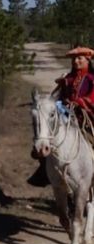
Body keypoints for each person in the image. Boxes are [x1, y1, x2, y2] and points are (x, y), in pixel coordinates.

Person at [27, 45, 94, 187]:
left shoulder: (91, 79)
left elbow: (92, 97)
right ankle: (45, 171)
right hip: (65, 114)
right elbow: (57, 96)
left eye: (79, 58)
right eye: (74, 59)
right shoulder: (67, 78)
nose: (76, 61)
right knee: (50, 139)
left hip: (85, 115)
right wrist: (58, 104)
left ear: (87, 60)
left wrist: (79, 102)